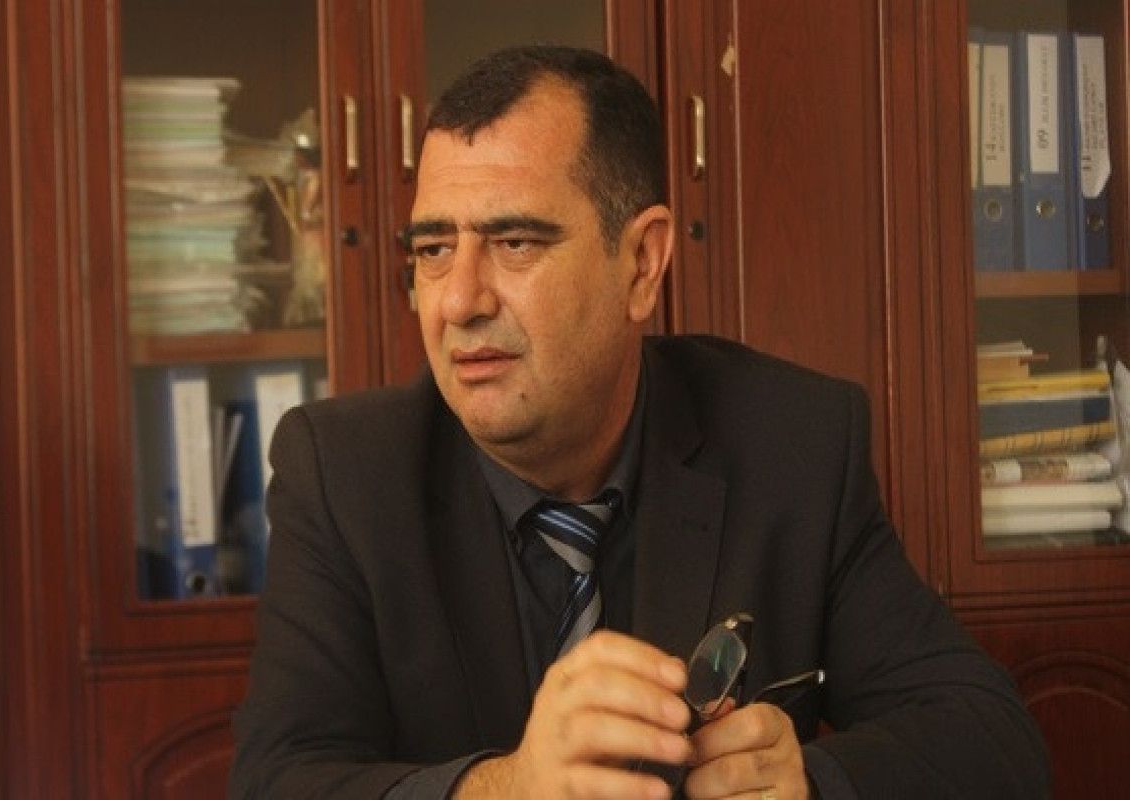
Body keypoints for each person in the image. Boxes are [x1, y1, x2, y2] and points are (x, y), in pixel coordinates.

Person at [230, 45, 1049, 799]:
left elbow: (994, 741)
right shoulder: (343, 475)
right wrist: (509, 790)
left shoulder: (793, 443)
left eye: (514, 242)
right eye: (434, 249)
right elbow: (278, 782)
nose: (458, 301)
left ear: (643, 264)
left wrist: (811, 782)